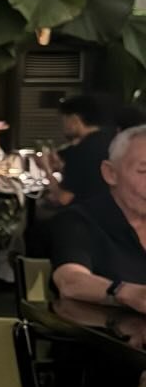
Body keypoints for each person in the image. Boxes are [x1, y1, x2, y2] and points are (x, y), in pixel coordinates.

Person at [51, 125, 146, 310]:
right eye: (143, 171)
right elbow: (70, 281)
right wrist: (126, 293)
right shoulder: (79, 220)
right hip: (106, 326)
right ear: (110, 173)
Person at [42, 94, 113, 207]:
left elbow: (63, 198)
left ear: (74, 120)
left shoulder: (80, 151)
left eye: (64, 120)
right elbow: (86, 179)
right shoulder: (111, 141)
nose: (63, 126)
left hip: (85, 213)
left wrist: (46, 169)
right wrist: (62, 167)